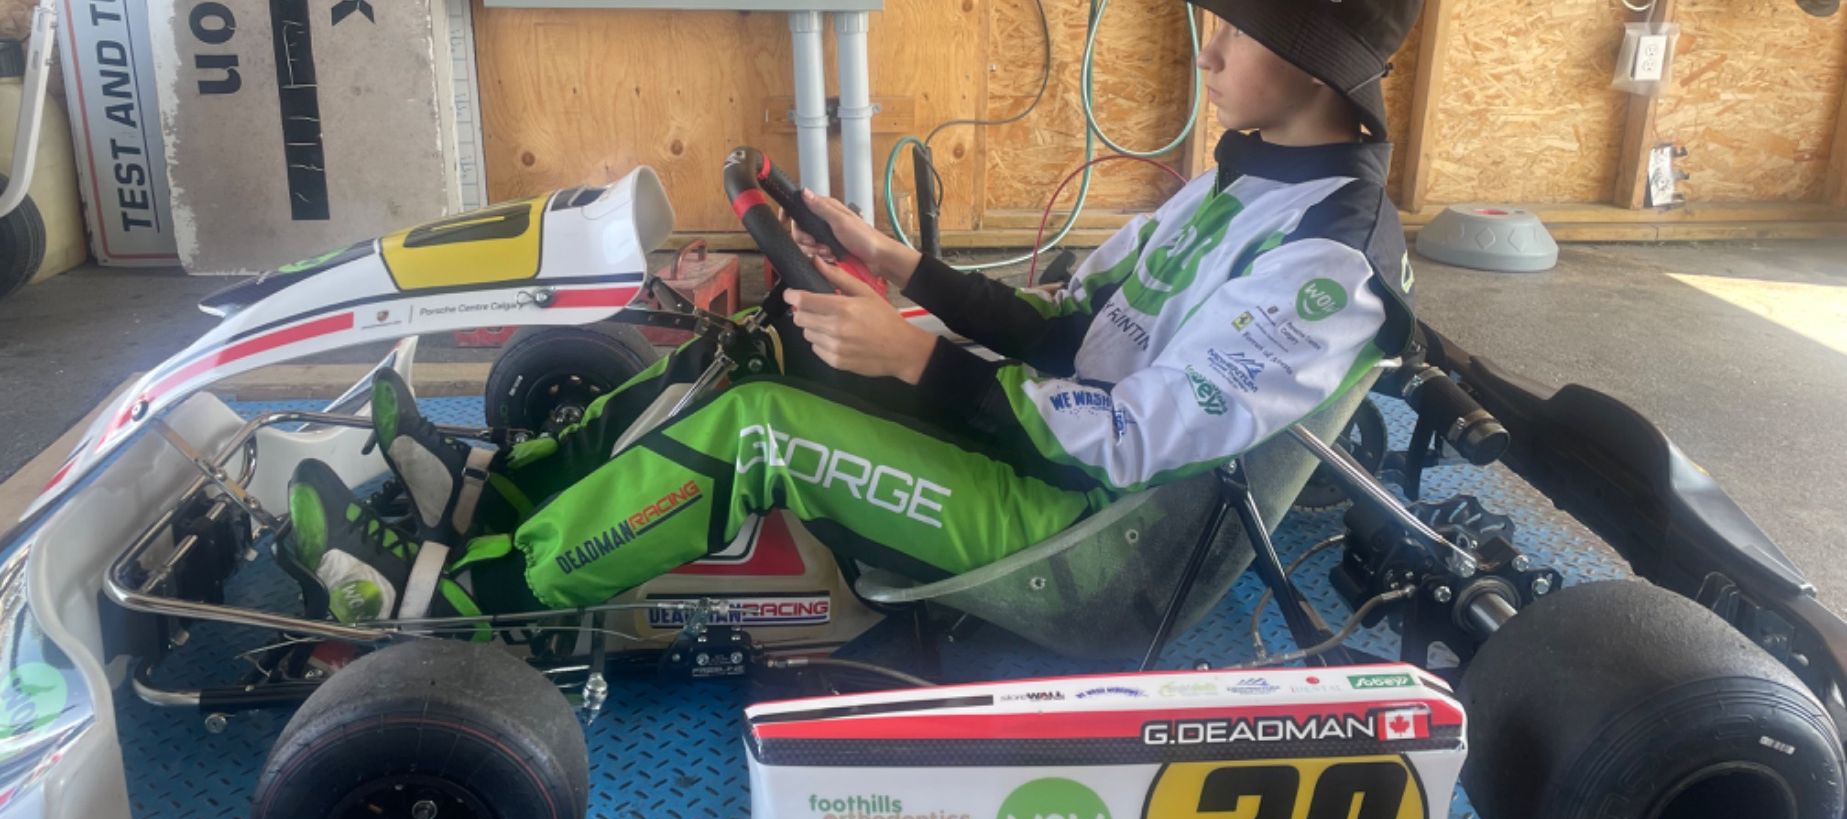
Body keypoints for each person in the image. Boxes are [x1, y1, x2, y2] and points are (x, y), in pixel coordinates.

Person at [283, 0, 1426, 627]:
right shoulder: (1245, 176)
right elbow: (1074, 330)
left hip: (1086, 546)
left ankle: (463, 603)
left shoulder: (1326, 265)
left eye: (1239, 26)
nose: (1208, 47)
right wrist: (899, 268)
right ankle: (498, 494)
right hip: (1049, 462)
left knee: (764, 432)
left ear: (1317, 63)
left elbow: (1130, 443)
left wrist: (917, 362)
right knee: (765, 346)